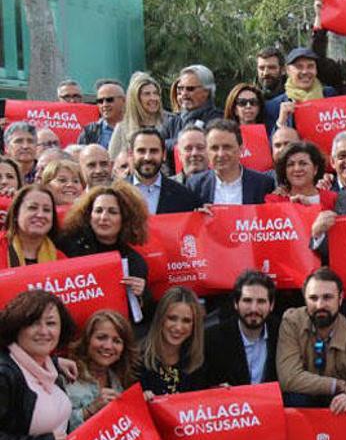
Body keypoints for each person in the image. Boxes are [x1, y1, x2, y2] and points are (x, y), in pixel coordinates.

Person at [276, 267, 346, 412]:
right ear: (305, 299)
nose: (320, 305)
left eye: (327, 297)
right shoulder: (292, 322)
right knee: (295, 398)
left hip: (337, 409)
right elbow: (289, 379)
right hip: (302, 403)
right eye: (313, 298)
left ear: (340, 299)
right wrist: (341, 385)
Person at [58, 182, 152, 334]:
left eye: (113, 212)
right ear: (89, 215)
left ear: (126, 218)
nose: (104, 217)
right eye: (98, 211)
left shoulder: (134, 261)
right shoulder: (68, 245)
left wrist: (142, 295)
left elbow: (141, 318)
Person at [0, 290, 76, 440]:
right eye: (34, 323)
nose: (44, 331)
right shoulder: (4, 375)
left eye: (51, 323)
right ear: (16, 327)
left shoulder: (49, 367)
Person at [204, 270, 280, 387]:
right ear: (236, 303)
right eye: (247, 300)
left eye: (261, 301)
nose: (254, 309)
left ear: (271, 305)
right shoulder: (212, 339)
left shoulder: (282, 333)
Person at [66, 310, 137, 430]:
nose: (108, 346)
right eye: (101, 337)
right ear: (87, 340)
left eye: (116, 341)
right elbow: (56, 428)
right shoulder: (68, 374)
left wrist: (138, 404)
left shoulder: (120, 379)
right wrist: (90, 410)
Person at [186, 119, 275, 205]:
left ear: (240, 149)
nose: (220, 154)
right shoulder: (195, 185)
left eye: (227, 147)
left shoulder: (263, 184)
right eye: (214, 148)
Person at [138, 286, 206, 396]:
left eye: (186, 321)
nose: (178, 327)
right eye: (172, 318)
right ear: (160, 318)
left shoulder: (198, 362)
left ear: (194, 326)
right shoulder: (137, 361)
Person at [127, 128, 203, 214]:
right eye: (141, 151)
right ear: (131, 154)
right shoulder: (116, 193)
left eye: (154, 151)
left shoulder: (183, 196)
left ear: (164, 155)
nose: (147, 157)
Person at [265, 47, 337, 135]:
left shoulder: (330, 95)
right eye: (299, 66)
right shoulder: (273, 106)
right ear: (288, 70)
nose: (305, 71)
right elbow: (270, 145)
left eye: (310, 66)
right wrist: (281, 121)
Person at [107, 72, 170, 160]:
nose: (153, 98)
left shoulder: (169, 122)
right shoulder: (123, 128)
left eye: (155, 93)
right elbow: (113, 161)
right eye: (147, 94)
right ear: (136, 98)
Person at [0, 185, 65, 268]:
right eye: (32, 208)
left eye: (46, 210)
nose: (40, 215)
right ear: (16, 213)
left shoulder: (61, 260)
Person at [159, 64, 224, 144]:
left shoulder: (217, 120)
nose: (184, 94)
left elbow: (198, 144)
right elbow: (156, 145)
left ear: (206, 91)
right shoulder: (173, 121)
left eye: (190, 89)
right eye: (180, 88)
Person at [265, 141, 337, 210]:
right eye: (291, 164)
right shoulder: (274, 201)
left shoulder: (333, 199)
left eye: (303, 163)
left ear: (315, 169)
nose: (297, 169)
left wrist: (311, 208)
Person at [76, 79, 126, 149]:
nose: (104, 104)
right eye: (100, 101)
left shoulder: (136, 127)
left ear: (124, 100)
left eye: (109, 100)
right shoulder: (90, 131)